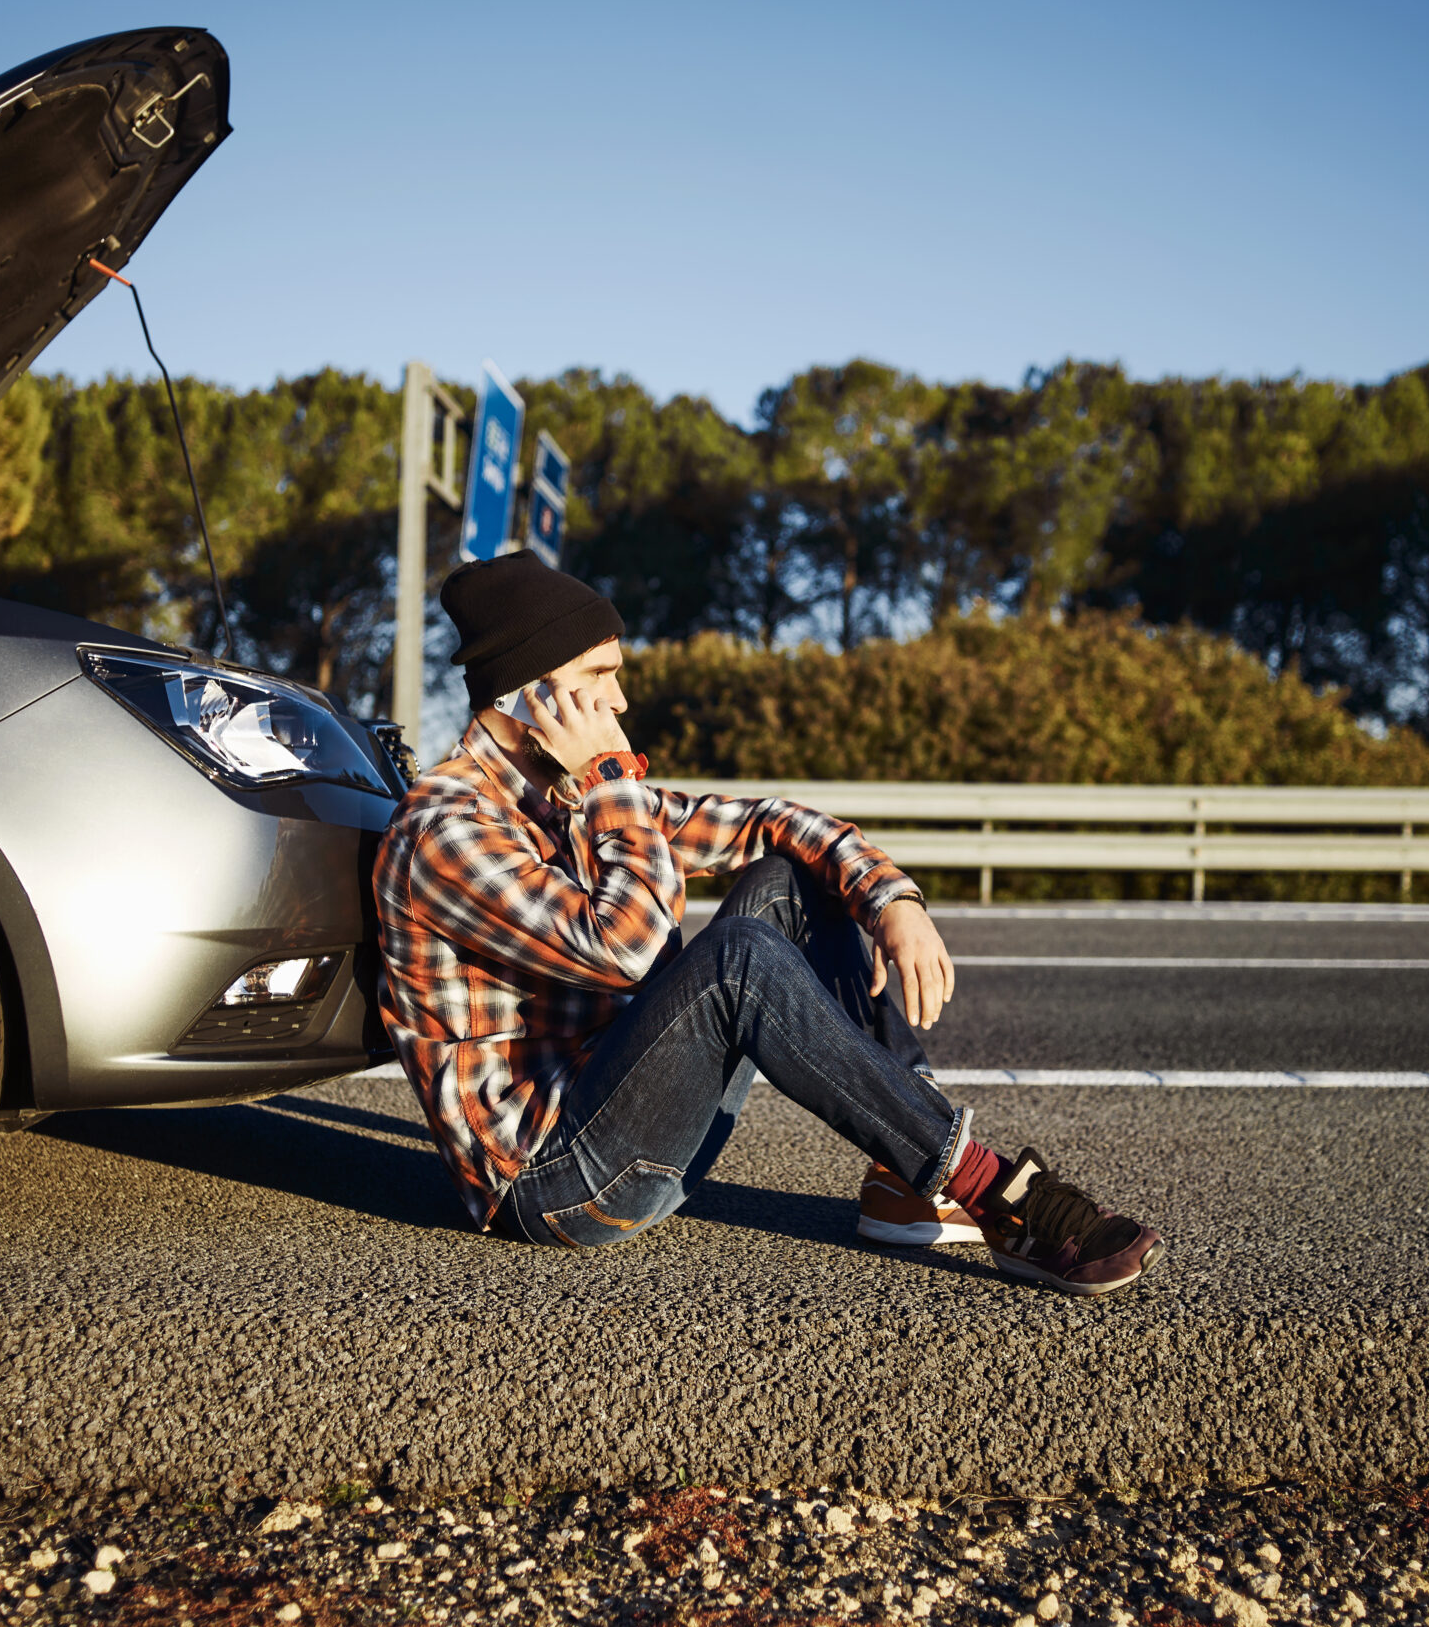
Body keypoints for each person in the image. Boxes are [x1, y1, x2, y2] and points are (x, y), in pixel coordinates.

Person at [371, 551, 1159, 1295]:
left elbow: (771, 821)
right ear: (534, 693)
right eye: (600, 676)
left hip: (630, 1120)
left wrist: (893, 900)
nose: (618, 701)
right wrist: (610, 779)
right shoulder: (445, 828)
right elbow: (627, 950)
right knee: (736, 957)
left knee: (785, 876)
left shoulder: (570, 799)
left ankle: (905, 1177)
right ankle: (997, 1193)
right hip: (555, 1182)